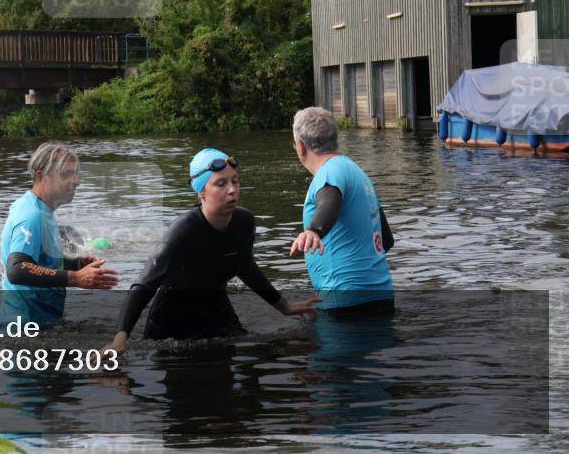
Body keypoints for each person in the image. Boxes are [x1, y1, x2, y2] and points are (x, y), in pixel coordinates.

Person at [104, 148, 318, 354]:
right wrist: (120, 338)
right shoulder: (183, 231)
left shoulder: (244, 222)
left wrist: (284, 306)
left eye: (235, 181)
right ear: (202, 192)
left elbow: (245, 267)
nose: (232, 189)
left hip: (217, 310)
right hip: (172, 319)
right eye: (221, 183)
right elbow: (145, 283)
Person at [0, 141, 118, 327]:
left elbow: (39, 261)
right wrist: (76, 278)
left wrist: (77, 264)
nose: (76, 180)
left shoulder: (42, 211)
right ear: (42, 176)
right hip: (25, 331)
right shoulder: (32, 216)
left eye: (76, 173)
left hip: (39, 324)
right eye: (66, 174)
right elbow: (18, 268)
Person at [289, 107, 394, 315]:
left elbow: (329, 201)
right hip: (380, 293)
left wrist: (314, 231)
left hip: (345, 300)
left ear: (301, 146)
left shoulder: (329, 172)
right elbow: (387, 240)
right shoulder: (357, 172)